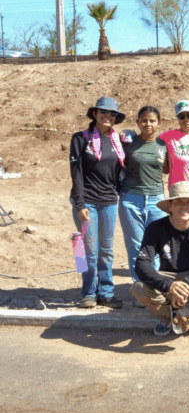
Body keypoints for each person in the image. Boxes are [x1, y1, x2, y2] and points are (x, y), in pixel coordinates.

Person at [132, 181, 189, 337]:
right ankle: (168, 316)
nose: (184, 206)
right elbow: (141, 263)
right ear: (170, 206)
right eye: (178, 202)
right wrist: (168, 285)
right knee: (139, 287)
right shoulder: (155, 228)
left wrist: (188, 282)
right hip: (169, 278)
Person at [69, 96, 126, 309]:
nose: (107, 116)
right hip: (87, 202)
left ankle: (106, 292)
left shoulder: (118, 140)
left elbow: (120, 172)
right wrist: (80, 203)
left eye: (112, 113)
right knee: (87, 250)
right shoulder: (80, 139)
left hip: (109, 201)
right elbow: (76, 173)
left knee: (106, 250)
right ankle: (88, 292)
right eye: (103, 111)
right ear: (95, 113)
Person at [118, 106, 168, 290]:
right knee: (136, 246)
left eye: (152, 120)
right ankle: (140, 288)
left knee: (156, 245)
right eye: (144, 120)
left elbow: (167, 169)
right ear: (138, 122)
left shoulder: (163, 145)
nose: (148, 124)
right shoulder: (128, 143)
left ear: (159, 123)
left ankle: (155, 287)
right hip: (131, 200)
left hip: (157, 201)